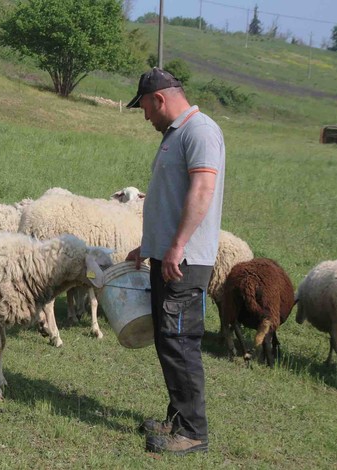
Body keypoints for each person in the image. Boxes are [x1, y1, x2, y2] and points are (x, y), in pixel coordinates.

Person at [124, 67, 225, 455]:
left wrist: (179, 245)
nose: (145, 115)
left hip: (185, 261)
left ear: (159, 99)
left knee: (181, 342)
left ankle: (192, 431)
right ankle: (177, 417)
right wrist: (149, 245)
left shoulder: (200, 131)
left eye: (145, 107)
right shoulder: (176, 134)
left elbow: (202, 188)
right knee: (169, 340)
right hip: (168, 257)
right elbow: (170, 198)